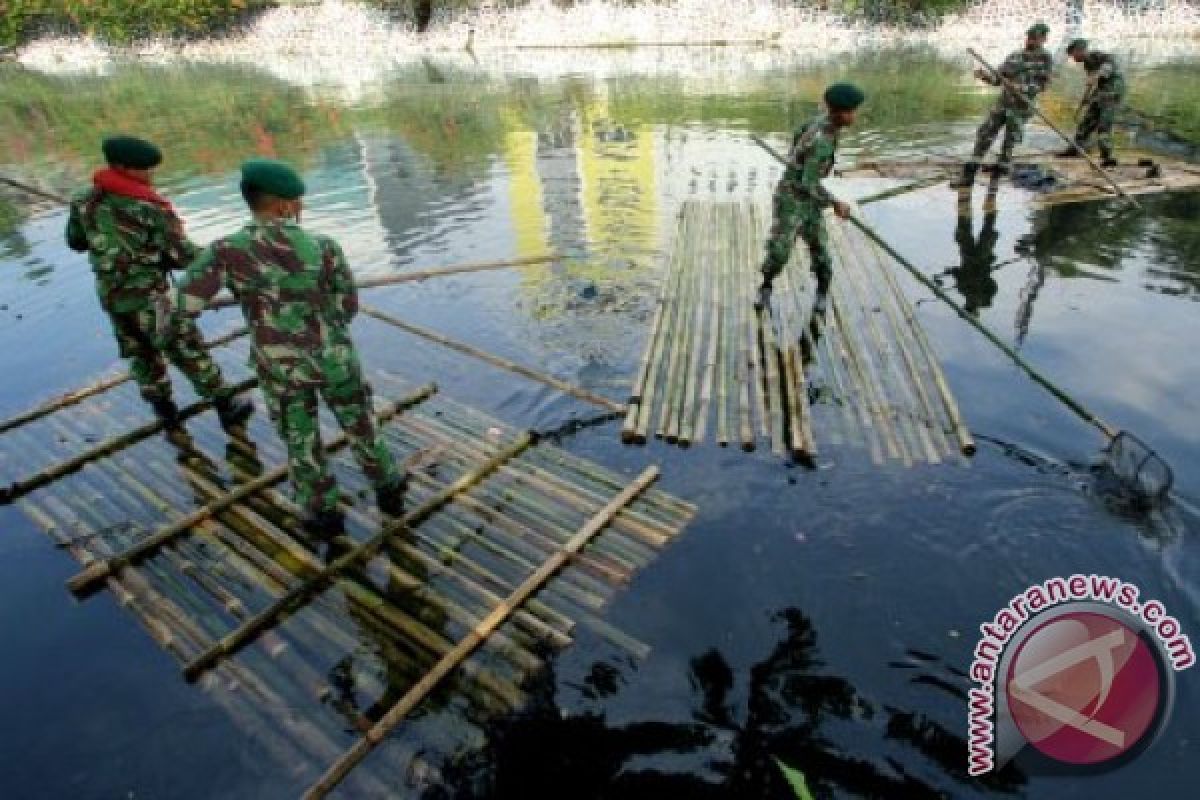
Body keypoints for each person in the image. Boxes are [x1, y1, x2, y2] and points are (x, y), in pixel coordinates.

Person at [168, 159, 406, 536]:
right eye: (299, 201)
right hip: (335, 361)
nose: (302, 208)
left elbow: (179, 311)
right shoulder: (325, 247)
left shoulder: (226, 251)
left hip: (280, 369)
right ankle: (389, 489)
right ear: (284, 206)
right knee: (361, 426)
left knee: (301, 438)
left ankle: (324, 514)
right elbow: (347, 307)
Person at [65, 136, 253, 428]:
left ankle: (163, 409)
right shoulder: (150, 208)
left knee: (139, 350)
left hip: (112, 295)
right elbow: (185, 256)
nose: (151, 175)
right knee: (184, 347)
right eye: (145, 169)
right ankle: (226, 404)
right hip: (149, 296)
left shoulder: (82, 201)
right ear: (121, 167)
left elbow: (75, 241)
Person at [756, 82, 866, 315]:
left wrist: (798, 162)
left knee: (820, 251)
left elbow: (797, 138)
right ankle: (765, 287)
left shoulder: (824, 124)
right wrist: (836, 203)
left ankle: (822, 292)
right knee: (780, 251)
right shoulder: (821, 140)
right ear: (838, 112)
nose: (854, 115)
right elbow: (808, 184)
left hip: (809, 197)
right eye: (851, 111)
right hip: (791, 198)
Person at [952, 23, 1054, 187]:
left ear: (1044, 39)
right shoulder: (1014, 56)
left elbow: (1044, 86)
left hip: (1022, 107)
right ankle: (968, 175)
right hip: (1003, 103)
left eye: (1036, 38)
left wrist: (1023, 88)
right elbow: (998, 80)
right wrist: (984, 77)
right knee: (985, 134)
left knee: (1010, 140)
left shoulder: (1046, 58)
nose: (1031, 40)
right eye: (1030, 37)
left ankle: (1000, 172)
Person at [1059, 38, 1125, 167]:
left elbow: (1107, 68)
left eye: (1073, 55)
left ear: (1080, 50)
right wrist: (1085, 98)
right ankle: (1076, 149)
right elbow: (1090, 83)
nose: (1073, 58)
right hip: (1100, 92)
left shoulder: (1100, 56)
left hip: (1113, 92)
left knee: (1104, 125)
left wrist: (1096, 76)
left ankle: (1107, 157)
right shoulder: (1087, 64)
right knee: (1086, 122)